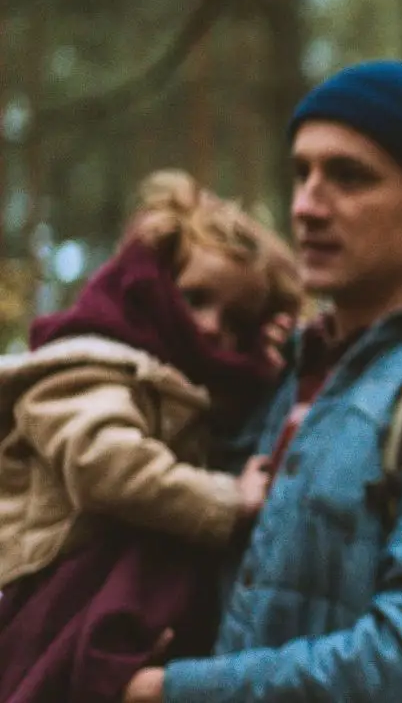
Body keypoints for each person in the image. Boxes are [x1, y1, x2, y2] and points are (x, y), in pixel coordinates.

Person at [123, 61, 402, 703]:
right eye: (301, 172)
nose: (307, 205)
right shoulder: (269, 376)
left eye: (349, 176)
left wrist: (166, 693)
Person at [0, 171, 300, 703]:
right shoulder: (88, 364)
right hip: (44, 600)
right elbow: (105, 463)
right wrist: (229, 500)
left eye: (236, 322)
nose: (212, 329)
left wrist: (266, 364)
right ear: (145, 285)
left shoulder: (174, 377)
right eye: (196, 299)